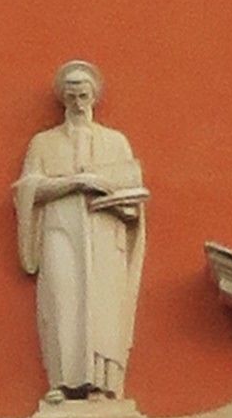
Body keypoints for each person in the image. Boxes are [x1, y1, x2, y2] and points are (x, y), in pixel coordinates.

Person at [13, 60, 147, 398]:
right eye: (71, 95)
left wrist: (111, 198)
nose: (77, 102)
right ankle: (62, 380)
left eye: (83, 94)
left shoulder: (115, 142)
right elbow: (28, 189)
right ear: (63, 99)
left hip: (105, 233)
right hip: (59, 230)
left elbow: (132, 202)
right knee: (62, 298)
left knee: (103, 304)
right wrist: (75, 182)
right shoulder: (44, 143)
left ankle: (103, 382)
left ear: (93, 96)